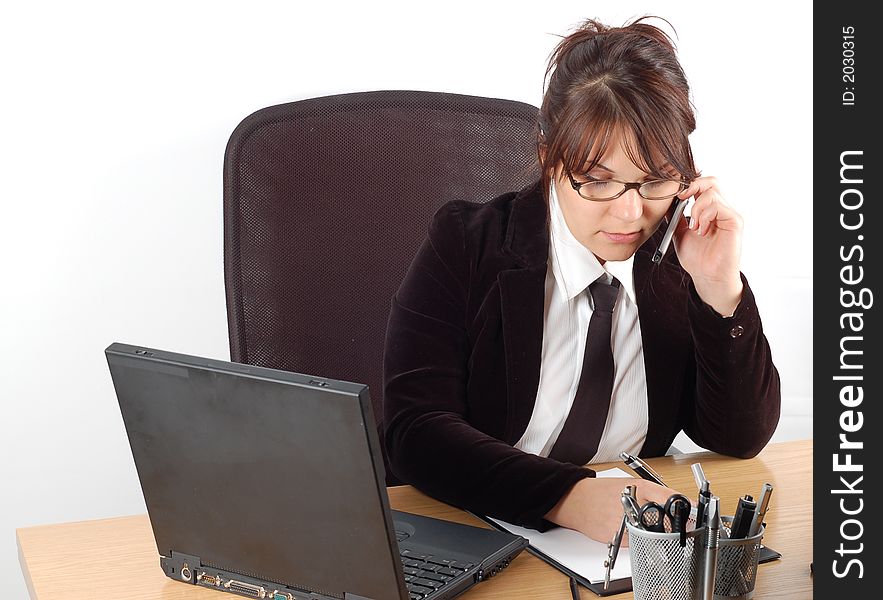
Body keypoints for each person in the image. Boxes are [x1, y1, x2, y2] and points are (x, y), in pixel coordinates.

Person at [382, 16, 780, 544]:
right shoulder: (468, 243)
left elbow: (737, 436)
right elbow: (416, 432)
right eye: (597, 181)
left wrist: (718, 287)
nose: (630, 214)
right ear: (549, 158)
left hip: (624, 549)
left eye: (655, 180)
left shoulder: (678, 258)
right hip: (469, 529)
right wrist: (571, 497)